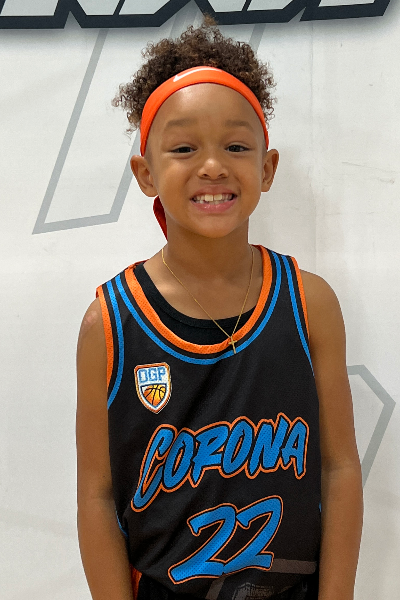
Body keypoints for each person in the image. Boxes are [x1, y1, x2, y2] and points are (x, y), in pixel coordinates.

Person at [76, 15, 363, 600]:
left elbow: (339, 469)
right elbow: (97, 498)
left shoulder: (310, 303)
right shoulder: (109, 322)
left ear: (267, 168)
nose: (212, 166)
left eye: (236, 146)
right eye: (184, 148)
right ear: (145, 173)